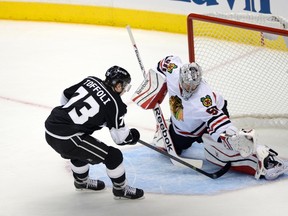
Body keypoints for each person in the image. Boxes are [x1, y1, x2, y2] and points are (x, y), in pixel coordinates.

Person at [141, 55, 287, 180]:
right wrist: (153, 81)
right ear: (180, 76)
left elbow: (217, 121)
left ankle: (263, 159)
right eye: (187, 84)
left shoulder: (204, 98)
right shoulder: (174, 70)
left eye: (194, 86)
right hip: (184, 129)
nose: (189, 89)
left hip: (206, 122)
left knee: (222, 151)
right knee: (171, 147)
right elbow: (164, 63)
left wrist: (231, 137)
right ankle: (171, 127)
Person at [45, 65, 144, 199]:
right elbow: (120, 138)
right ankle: (121, 189)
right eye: (125, 86)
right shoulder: (115, 104)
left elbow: (65, 95)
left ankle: (81, 182)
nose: (124, 90)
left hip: (51, 127)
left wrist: (76, 119)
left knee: (80, 151)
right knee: (113, 156)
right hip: (68, 138)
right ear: (118, 85)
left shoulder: (90, 81)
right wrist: (133, 136)